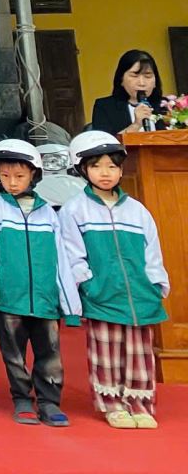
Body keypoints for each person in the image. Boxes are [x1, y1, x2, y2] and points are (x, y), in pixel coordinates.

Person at [59, 130, 170, 430]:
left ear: (121, 170)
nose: (105, 173)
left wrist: (155, 283)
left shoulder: (137, 211)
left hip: (139, 294)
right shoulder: (74, 210)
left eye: (111, 166)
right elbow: (72, 254)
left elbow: (152, 250)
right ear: (83, 170)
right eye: (96, 166)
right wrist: (88, 285)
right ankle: (112, 403)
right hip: (102, 294)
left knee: (139, 352)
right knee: (106, 351)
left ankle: (140, 403)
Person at [0, 137, 81, 427]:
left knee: (50, 353)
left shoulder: (50, 215)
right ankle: (21, 398)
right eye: (4, 175)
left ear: (34, 174)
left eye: (19, 176)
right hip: (10, 298)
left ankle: (49, 401)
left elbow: (62, 261)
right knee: (13, 354)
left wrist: (70, 304)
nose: (12, 182)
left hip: (46, 299)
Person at [90, 50, 166, 136]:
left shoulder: (166, 105)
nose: (141, 83)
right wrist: (136, 125)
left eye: (148, 76)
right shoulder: (105, 107)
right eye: (134, 76)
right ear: (121, 79)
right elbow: (105, 143)